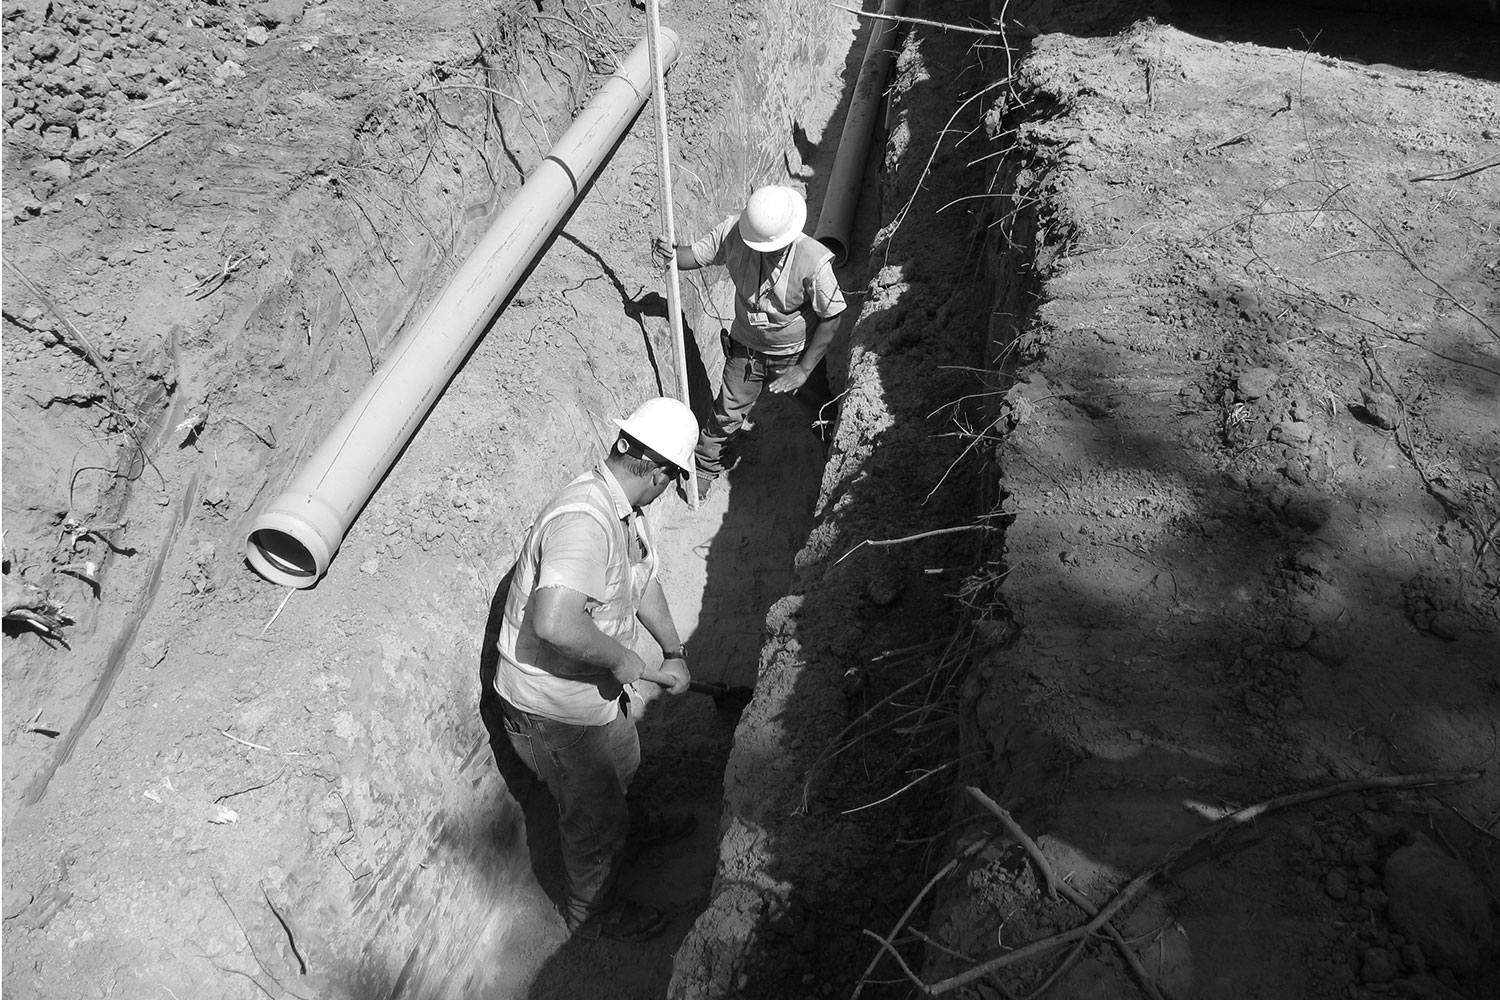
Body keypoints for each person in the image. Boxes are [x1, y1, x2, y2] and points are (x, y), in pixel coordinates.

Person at [479, 396, 699, 942]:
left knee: (622, 763)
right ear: (663, 473)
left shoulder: (624, 513)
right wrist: (627, 659)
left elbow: (639, 582)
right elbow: (553, 622)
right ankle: (593, 914)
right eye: (673, 476)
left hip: (589, 695)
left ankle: (625, 824)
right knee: (591, 821)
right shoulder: (584, 521)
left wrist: (674, 652)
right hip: (553, 711)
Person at [653, 185, 848, 500]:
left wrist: (803, 369)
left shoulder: (813, 261)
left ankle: (835, 455)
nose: (763, 252)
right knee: (726, 413)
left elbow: (832, 316)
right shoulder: (734, 232)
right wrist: (671, 254)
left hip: (794, 354)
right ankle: (703, 470)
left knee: (818, 408)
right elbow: (692, 256)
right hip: (746, 351)